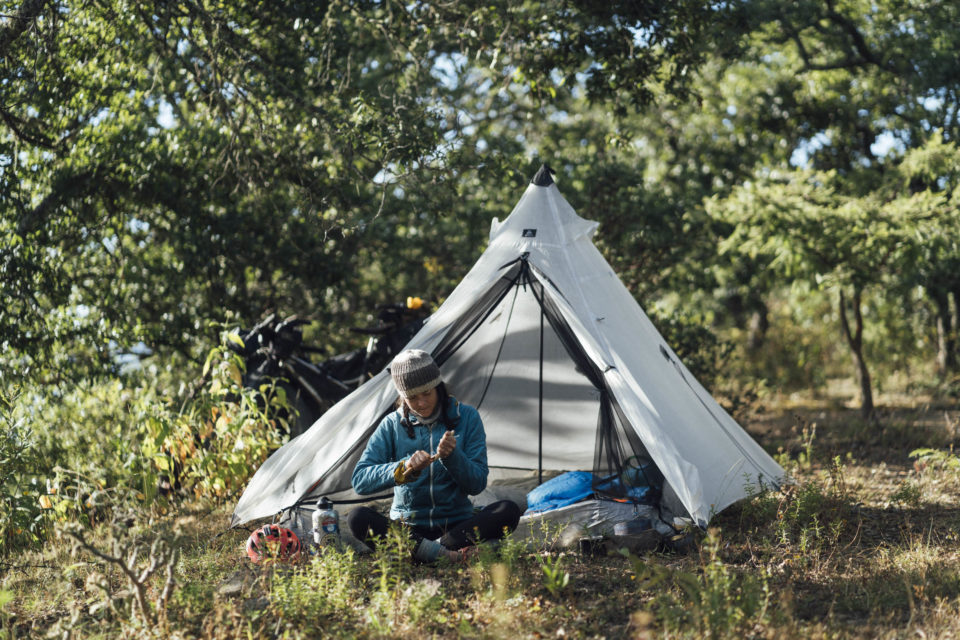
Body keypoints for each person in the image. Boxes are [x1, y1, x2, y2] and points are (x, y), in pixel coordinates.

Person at [348, 349, 521, 563]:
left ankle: (429, 553)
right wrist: (404, 467)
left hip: (455, 527)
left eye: (427, 393)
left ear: (439, 386)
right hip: (408, 527)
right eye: (412, 397)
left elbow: (476, 484)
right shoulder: (391, 425)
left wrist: (452, 457)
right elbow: (360, 480)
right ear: (402, 396)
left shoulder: (467, 417)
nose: (421, 403)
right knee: (358, 517)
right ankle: (452, 555)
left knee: (508, 510)